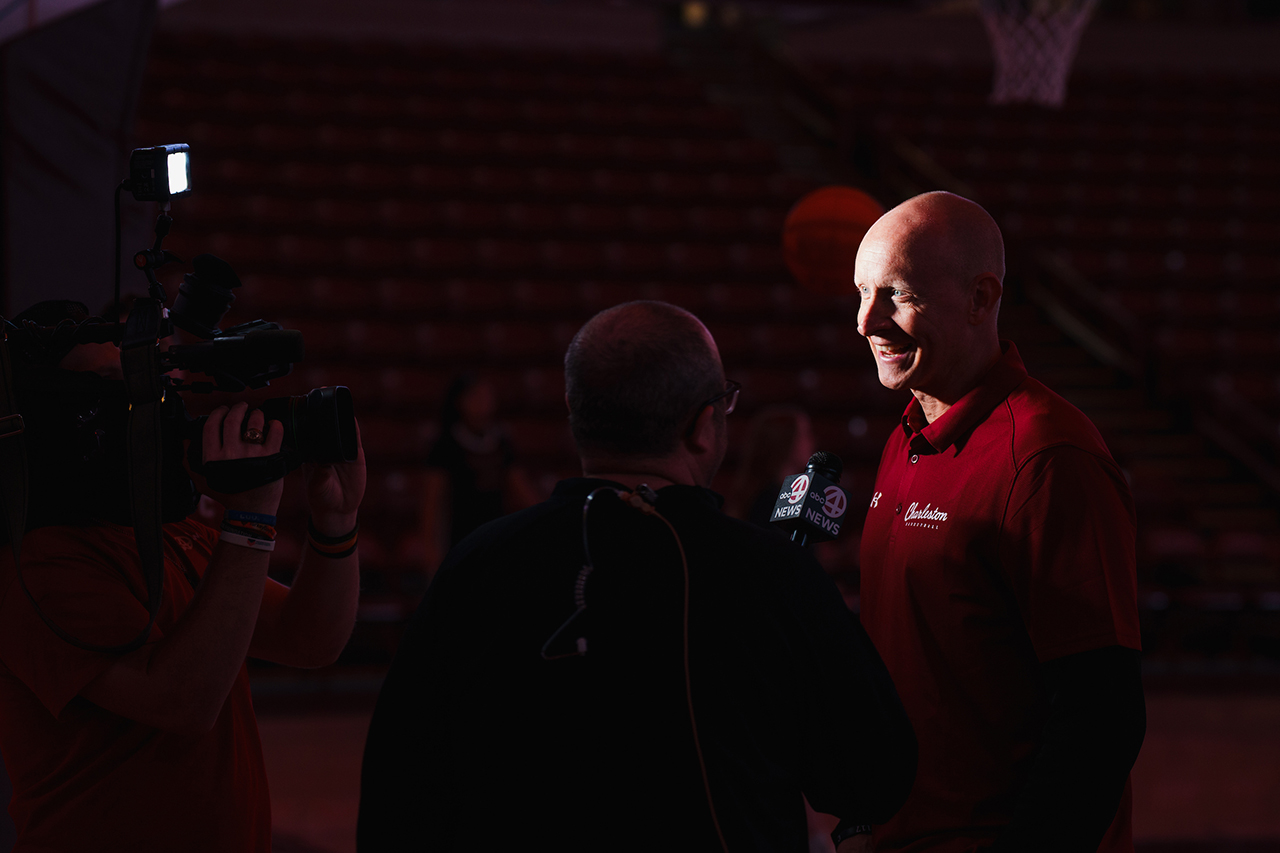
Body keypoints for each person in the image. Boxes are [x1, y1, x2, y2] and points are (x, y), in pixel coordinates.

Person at [359, 300, 916, 852]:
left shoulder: (474, 566)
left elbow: (400, 793)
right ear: (703, 426)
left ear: (577, 416)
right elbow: (876, 772)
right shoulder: (772, 573)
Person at [0, 300, 367, 852]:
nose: (147, 402)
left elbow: (308, 639)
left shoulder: (169, 531)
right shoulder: (36, 565)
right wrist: (249, 519)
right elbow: (180, 701)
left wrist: (335, 524)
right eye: (109, 383)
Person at [853, 192, 1146, 853]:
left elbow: (1103, 718)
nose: (868, 320)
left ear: (982, 299)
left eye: (897, 294)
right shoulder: (906, 434)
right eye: (861, 292)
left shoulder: (1048, 456)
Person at [419, 374, 538, 573]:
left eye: (487, 396)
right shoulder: (445, 445)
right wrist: (431, 549)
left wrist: (546, 515)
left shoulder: (501, 442)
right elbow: (432, 501)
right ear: (460, 401)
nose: (484, 402)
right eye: (476, 396)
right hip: (459, 540)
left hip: (495, 537)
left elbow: (520, 488)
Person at [723, 405, 814, 528]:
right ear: (786, 443)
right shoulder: (774, 500)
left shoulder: (774, 494)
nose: (812, 442)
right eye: (805, 435)